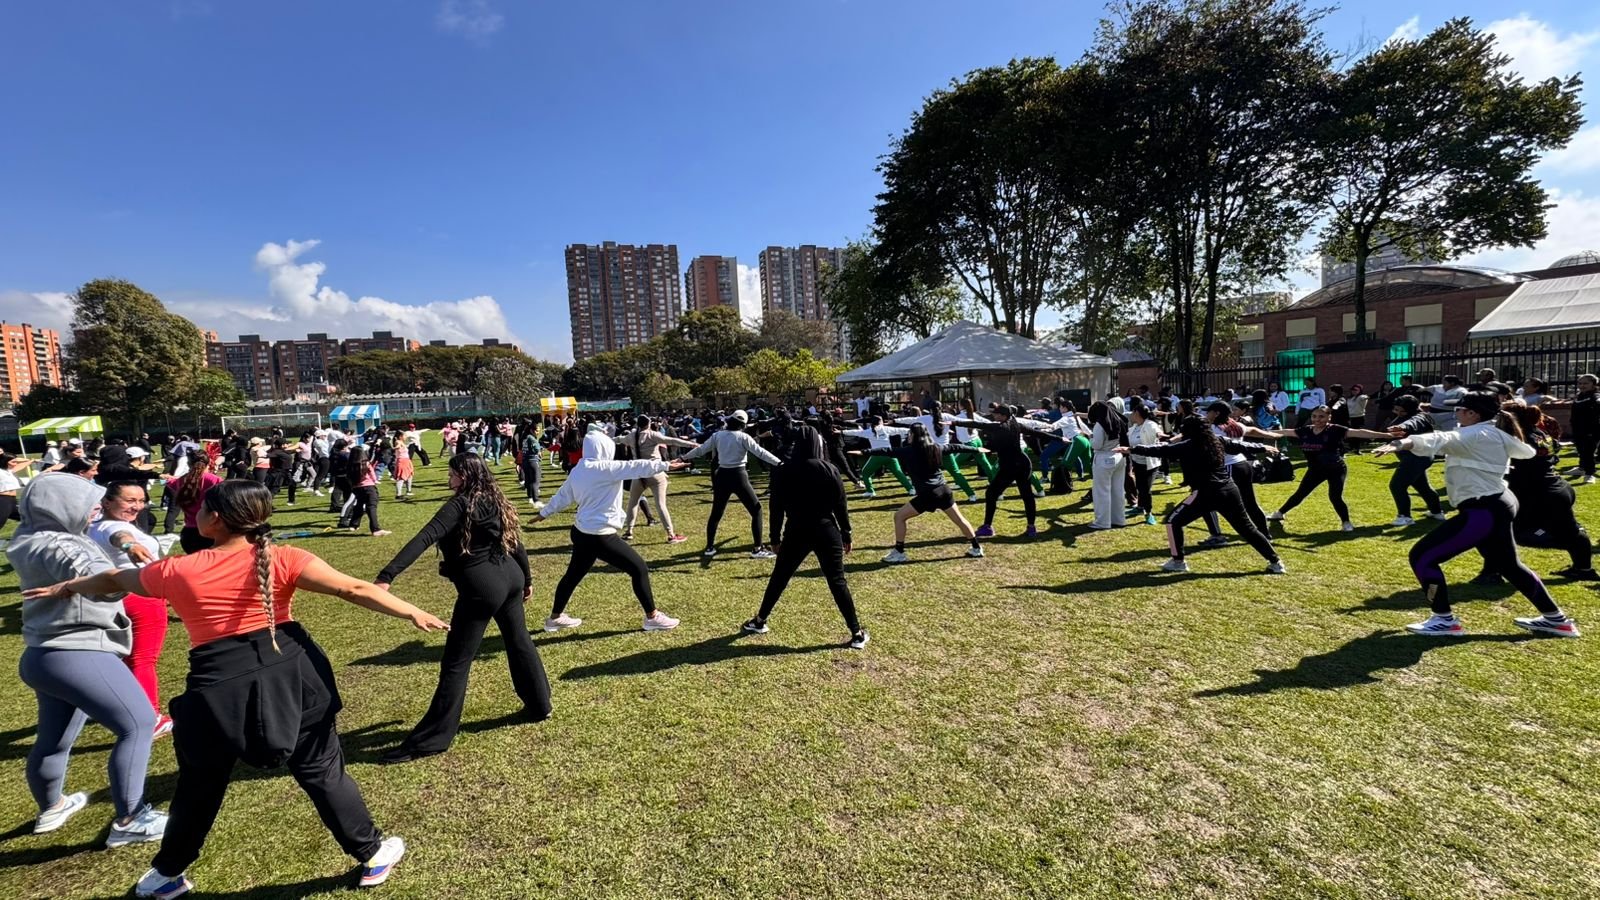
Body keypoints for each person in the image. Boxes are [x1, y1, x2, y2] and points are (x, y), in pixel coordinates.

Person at [25, 479, 448, 896]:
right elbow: (352, 588)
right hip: (294, 673)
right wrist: (413, 613)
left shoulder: (177, 570)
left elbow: (116, 579)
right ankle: (372, 854)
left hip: (216, 686)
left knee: (200, 785)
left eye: (204, 508)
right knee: (321, 770)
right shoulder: (284, 557)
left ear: (215, 520)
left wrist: (67, 587)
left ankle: (164, 875)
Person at [11, 473, 166, 848]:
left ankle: (53, 806)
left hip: (43, 655)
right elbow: (109, 579)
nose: (95, 508)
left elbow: (106, 535)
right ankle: (131, 817)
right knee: (140, 723)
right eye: (88, 502)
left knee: (55, 738)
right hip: (80, 651)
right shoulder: (63, 546)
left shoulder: (29, 537)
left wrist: (124, 543)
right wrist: (159, 575)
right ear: (62, 505)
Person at [374, 454, 551, 763]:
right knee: (519, 641)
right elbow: (515, 541)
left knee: (456, 663)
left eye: (452, 473)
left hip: (483, 587)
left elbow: (425, 537)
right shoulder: (495, 498)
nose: (449, 478)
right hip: (510, 576)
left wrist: (386, 576)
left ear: (465, 476)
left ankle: (432, 739)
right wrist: (527, 578)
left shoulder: (459, 505)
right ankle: (540, 705)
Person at [1374, 392, 1579, 637]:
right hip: (1500, 502)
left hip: (1484, 509)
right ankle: (1557, 620)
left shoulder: (1473, 434)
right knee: (1508, 565)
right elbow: (1526, 452)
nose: (1455, 414)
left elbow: (1440, 438)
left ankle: (1444, 620)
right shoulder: (1495, 432)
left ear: (1473, 413)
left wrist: (1402, 443)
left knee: (1422, 557)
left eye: (1459, 410)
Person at [534, 429, 687, 632]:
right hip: (599, 535)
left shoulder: (579, 468)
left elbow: (563, 495)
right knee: (638, 568)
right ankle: (652, 617)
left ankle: (555, 618)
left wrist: (544, 513)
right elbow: (636, 466)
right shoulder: (605, 468)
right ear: (604, 448)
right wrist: (666, 464)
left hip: (581, 532)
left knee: (573, 575)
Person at [741, 425, 870, 649]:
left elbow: (776, 507)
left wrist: (774, 538)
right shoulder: (829, 469)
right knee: (837, 582)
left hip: (796, 530)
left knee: (780, 576)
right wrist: (846, 532)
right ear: (818, 443)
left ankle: (760, 620)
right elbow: (841, 505)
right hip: (826, 529)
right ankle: (856, 632)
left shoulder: (783, 470)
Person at [1118, 416, 1285, 574]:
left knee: (1172, 522)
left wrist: (1132, 449)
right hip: (1229, 489)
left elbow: (1161, 449)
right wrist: (1264, 447)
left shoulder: (1188, 445)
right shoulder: (1217, 440)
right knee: (1247, 528)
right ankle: (1276, 562)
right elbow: (1242, 446)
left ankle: (1178, 562)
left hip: (1206, 492)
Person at [1471, 405, 1596, 584]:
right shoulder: (1539, 432)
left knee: (1506, 532)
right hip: (1556, 488)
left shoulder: (1518, 439)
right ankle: (1583, 568)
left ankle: (1492, 573)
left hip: (1538, 494)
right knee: (1570, 530)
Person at [88, 481, 174, 739]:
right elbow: (120, 537)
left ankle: (114, 705)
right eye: (129, 501)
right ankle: (151, 718)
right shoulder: (115, 527)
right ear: (107, 502)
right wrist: (129, 546)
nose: (136, 506)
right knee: (142, 659)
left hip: (111, 598)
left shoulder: (92, 526)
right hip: (139, 598)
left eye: (140, 500)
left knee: (121, 658)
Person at [857, 423, 984, 564]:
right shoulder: (936, 447)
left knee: (899, 517)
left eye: (909, 434)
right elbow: (957, 447)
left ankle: (899, 552)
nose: (908, 436)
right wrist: (977, 449)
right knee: (959, 519)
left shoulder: (908, 451)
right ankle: (976, 547)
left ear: (913, 435)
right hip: (944, 490)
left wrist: (865, 452)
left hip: (928, 494)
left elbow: (887, 451)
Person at [680, 409, 783, 558]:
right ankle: (757, 549)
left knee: (716, 513)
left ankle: (709, 547)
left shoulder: (718, 435)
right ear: (744, 424)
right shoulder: (743, 437)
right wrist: (779, 462)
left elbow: (701, 450)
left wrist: (684, 458)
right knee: (756, 510)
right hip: (739, 476)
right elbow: (760, 452)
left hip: (722, 476)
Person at [1347, 395, 1447, 526]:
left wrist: (1402, 428)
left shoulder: (1418, 417)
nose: (1399, 413)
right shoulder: (1405, 416)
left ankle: (1405, 517)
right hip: (1416, 458)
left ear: (1411, 409)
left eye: (1402, 411)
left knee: (1397, 485)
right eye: (1396, 410)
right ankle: (1437, 512)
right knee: (1422, 486)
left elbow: (1411, 423)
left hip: (1416, 458)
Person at [950, 405, 1040, 538]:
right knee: (1027, 495)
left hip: (1010, 466)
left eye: (997, 414)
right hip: (1023, 464)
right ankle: (1031, 527)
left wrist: (955, 422)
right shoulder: (1016, 424)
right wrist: (1059, 438)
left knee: (991, 494)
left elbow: (978, 424)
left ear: (1003, 416)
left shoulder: (999, 427)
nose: (994, 416)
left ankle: (987, 527)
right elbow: (1038, 432)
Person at [1258, 406, 1353, 532]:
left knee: (1335, 497)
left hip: (1335, 469)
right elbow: (1285, 432)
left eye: (1321, 416)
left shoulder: (1335, 429)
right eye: (1314, 416)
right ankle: (1279, 513)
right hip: (1316, 470)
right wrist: (1258, 432)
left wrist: (1385, 436)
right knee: (1300, 493)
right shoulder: (1306, 430)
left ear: (1329, 417)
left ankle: (1346, 523)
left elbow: (1361, 433)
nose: (1317, 419)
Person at [619, 415, 698, 543]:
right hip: (655, 472)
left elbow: (618, 439)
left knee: (633, 502)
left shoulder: (631, 436)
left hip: (638, 473)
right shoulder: (652, 435)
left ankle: (629, 531)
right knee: (661, 504)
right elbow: (672, 441)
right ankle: (671, 535)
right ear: (648, 424)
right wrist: (691, 444)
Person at [165, 449, 223, 554]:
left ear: (188, 463)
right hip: (209, 532)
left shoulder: (181, 481)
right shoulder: (214, 480)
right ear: (209, 462)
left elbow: (170, 482)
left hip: (188, 534)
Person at [844, 416, 914, 498]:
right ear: (880, 421)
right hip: (890, 455)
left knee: (865, 473)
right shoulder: (886, 429)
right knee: (899, 473)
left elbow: (855, 432)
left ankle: (870, 491)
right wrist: (914, 429)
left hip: (877, 456)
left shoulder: (868, 431)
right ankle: (911, 489)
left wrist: (841, 431)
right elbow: (900, 430)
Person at [1546, 373, 1598, 484]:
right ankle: (1581, 468)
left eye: (1586, 383)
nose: (1582, 385)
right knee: (1580, 449)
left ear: (1593, 384)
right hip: (1578, 427)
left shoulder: (1595, 396)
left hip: (1591, 428)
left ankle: (1589, 474)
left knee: (1588, 451)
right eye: (1580, 383)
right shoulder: (1579, 395)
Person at [1086, 401, 1128, 530]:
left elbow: (1097, 445)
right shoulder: (1117, 420)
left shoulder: (1100, 425)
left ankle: (1102, 522)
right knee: (1118, 490)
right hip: (1118, 456)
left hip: (1104, 457)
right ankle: (1119, 519)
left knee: (1102, 492)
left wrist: (1089, 437)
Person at [339, 446, 390, 537]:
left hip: (357, 488)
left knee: (359, 505)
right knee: (371, 507)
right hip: (369, 487)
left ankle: (354, 525)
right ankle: (375, 529)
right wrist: (374, 481)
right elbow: (373, 475)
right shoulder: (365, 463)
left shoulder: (350, 464)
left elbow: (349, 477)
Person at [1126, 406, 1163, 526]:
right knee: (1140, 486)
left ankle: (1148, 513)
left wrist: (1161, 435)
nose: (1131, 415)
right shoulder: (1134, 427)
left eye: (1133, 412)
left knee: (1145, 489)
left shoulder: (1150, 424)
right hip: (1137, 462)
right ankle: (1140, 507)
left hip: (1150, 463)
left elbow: (1157, 432)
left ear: (1137, 413)